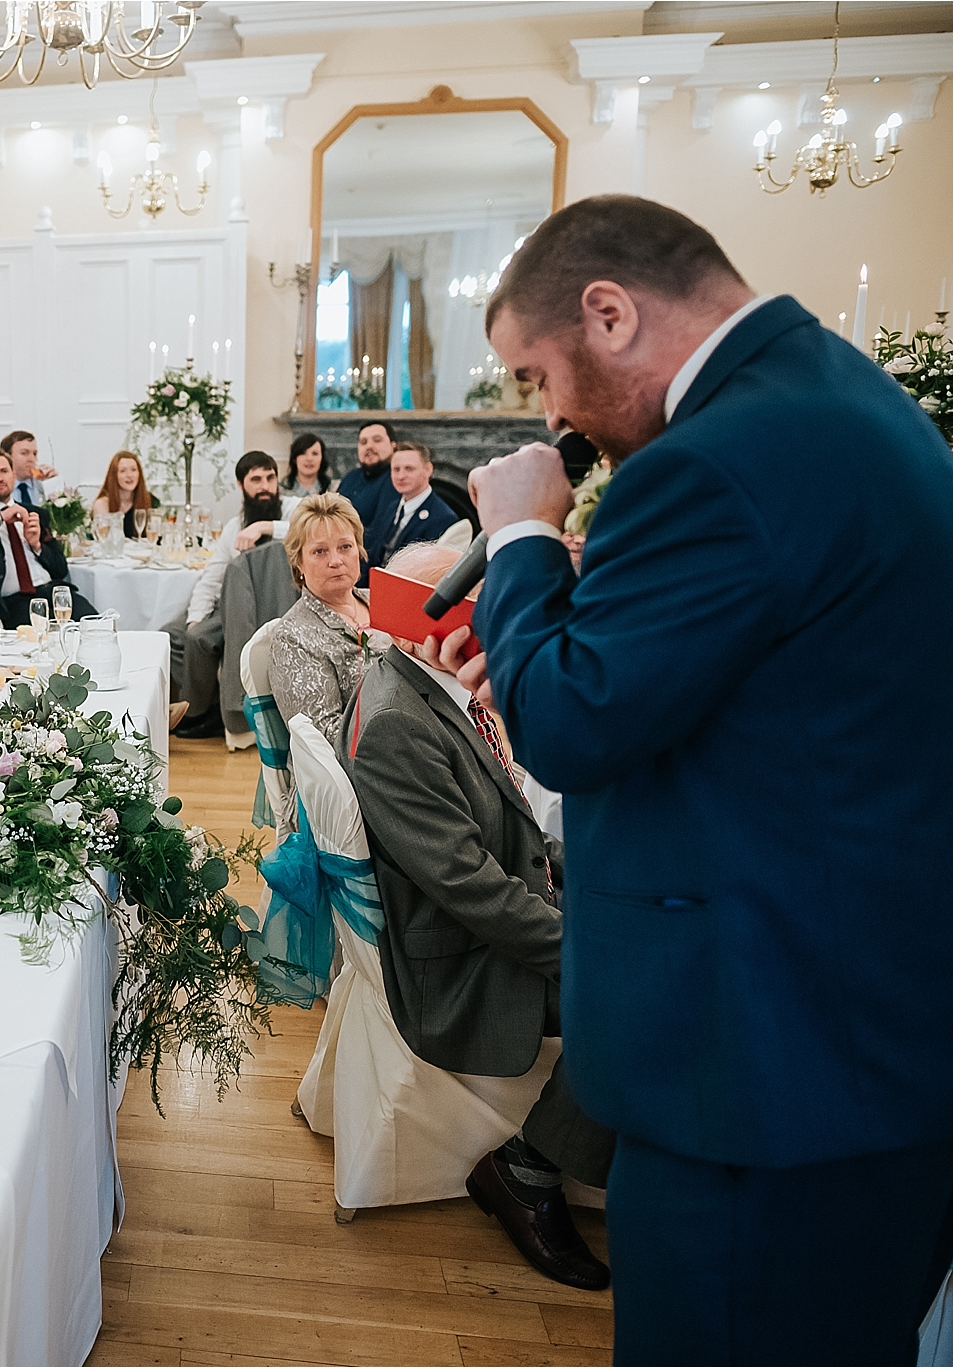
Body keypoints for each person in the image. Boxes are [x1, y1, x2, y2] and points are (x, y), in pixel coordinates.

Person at [445, 194, 950, 1361]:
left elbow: (569, 721)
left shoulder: (714, 462)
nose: (550, 417)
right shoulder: (826, 398)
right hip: (849, 1027)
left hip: (762, 1064)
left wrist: (520, 537)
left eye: (536, 376)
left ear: (607, 313)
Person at [341, 544, 613, 1292]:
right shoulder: (398, 721)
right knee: (644, 995)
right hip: (459, 964)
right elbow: (472, 888)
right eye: (483, 607)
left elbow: (513, 833)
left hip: (479, 920)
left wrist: (603, 872)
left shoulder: (428, 686)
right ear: (426, 619)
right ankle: (527, 1169)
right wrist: (590, 953)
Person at [170, 450, 284, 739]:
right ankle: (200, 710)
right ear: (240, 485)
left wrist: (264, 526)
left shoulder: (294, 509)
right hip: (235, 606)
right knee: (191, 635)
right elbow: (212, 576)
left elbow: (312, 525)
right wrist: (196, 617)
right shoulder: (234, 526)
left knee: (198, 638)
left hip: (281, 605)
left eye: (270, 478)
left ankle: (209, 711)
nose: (264, 486)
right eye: (256, 479)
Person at [0, 451, 97, 631]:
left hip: (54, 592)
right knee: (47, 641)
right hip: (15, 602)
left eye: (4, 471)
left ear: (13, 476)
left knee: (97, 628)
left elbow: (60, 569)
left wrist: (37, 545)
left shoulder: (35, 513)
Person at [260, 493, 376, 739]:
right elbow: (323, 736)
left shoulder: (384, 603)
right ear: (299, 563)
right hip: (352, 769)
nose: (335, 561)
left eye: (345, 547)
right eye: (320, 551)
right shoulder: (294, 637)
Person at [365, 441, 458, 577]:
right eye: (396, 469)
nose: (401, 476)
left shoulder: (443, 518)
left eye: (409, 469)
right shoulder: (390, 508)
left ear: (428, 470)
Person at [334, 419, 397, 534]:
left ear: (393, 445)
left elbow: (380, 531)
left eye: (377, 440)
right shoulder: (351, 477)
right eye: (363, 442)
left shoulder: (397, 480)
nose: (369, 446)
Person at [91, 450, 156, 538]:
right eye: (123, 471)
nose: (129, 475)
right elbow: (104, 540)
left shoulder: (150, 500)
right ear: (114, 475)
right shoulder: (102, 504)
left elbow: (157, 540)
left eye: (133, 470)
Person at [0, 429, 57, 506]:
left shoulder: (42, 484)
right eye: (24, 453)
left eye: (34, 454)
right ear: (7, 457)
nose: (32, 459)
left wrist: (53, 484)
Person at [285, 432, 329, 502]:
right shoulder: (281, 490)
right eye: (303, 453)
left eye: (315, 453)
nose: (309, 458)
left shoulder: (332, 490)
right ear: (294, 458)